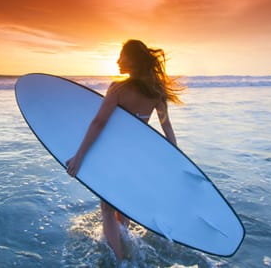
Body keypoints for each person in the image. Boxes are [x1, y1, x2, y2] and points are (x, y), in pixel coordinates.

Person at [65, 39, 183, 261]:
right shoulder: (157, 91)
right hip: (137, 159)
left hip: (114, 157)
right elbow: (166, 126)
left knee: (107, 209)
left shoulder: (118, 89)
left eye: (122, 56)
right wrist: (176, 159)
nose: (118, 60)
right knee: (123, 205)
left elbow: (99, 123)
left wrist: (78, 157)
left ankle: (119, 261)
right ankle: (125, 241)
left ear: (133, 60)